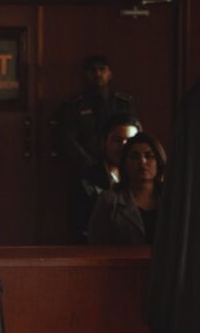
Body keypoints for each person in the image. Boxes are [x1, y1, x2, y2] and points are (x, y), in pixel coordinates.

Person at [70, 113, 141, 243]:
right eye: (117, 140)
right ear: (104, 142)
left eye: (130, 141)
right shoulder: (86, 181)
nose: (124, 146)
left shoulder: (145, 181)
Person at [59, 54, 136, 170]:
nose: (98, 74)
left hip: (120, 165)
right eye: (93, 70)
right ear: (86, 75)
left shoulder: (123, 103)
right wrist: (89, 164)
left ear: (110, 74)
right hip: (85, 167)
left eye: (102, 69)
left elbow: (133, 134)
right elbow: (69, 139)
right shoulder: (75, 105)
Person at [88, 131, 166, 245]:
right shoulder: (109, 200)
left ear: (158, 161)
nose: (142, 162)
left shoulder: (172, 198)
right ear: (125, 164)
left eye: (149, 156)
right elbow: (96, 246)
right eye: (134, 157)